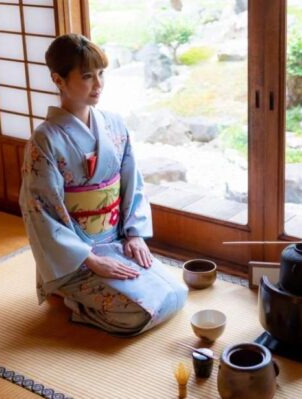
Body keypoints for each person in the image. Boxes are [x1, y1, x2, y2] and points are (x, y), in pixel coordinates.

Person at [19, 33, 187, 336]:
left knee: (174, 295)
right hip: (75, 257)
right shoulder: (44, 140)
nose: (98, 84)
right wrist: (90, 259)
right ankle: (69, 298)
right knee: (138, 315)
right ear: (58, 79)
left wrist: (134, 235)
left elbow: (132, 184)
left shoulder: (114, 125)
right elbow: (39, 211)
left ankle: (101, 284)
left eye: (100, 74)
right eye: (86, 76)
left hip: (117, 241)